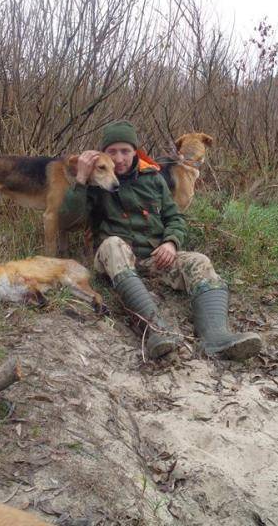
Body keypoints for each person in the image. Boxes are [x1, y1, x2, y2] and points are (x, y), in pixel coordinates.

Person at [59, 120, 262, 361]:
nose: (119, 158)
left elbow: (174, 217)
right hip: (115, 259)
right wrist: (81, 180)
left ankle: (216, 337)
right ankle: (155, 331)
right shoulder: (96, 181)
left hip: (153, 259)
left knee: (199, 261)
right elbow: (67, 221)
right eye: (112, 152)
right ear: (103, 154)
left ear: (135, 151)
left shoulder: (153, 178)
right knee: (112, 244)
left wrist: (171, 242)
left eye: (125, 151)